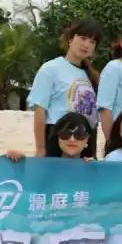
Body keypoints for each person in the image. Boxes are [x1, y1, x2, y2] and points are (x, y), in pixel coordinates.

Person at [28, 18, 102, 158]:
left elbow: (93, 118)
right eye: (83, 38)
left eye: (92, 42)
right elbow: (40, 111)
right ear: (70, 39)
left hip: (85, 141)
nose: (86, 44)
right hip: (59, 137)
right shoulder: (51, 69)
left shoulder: (92, 77)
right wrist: (41, 149)